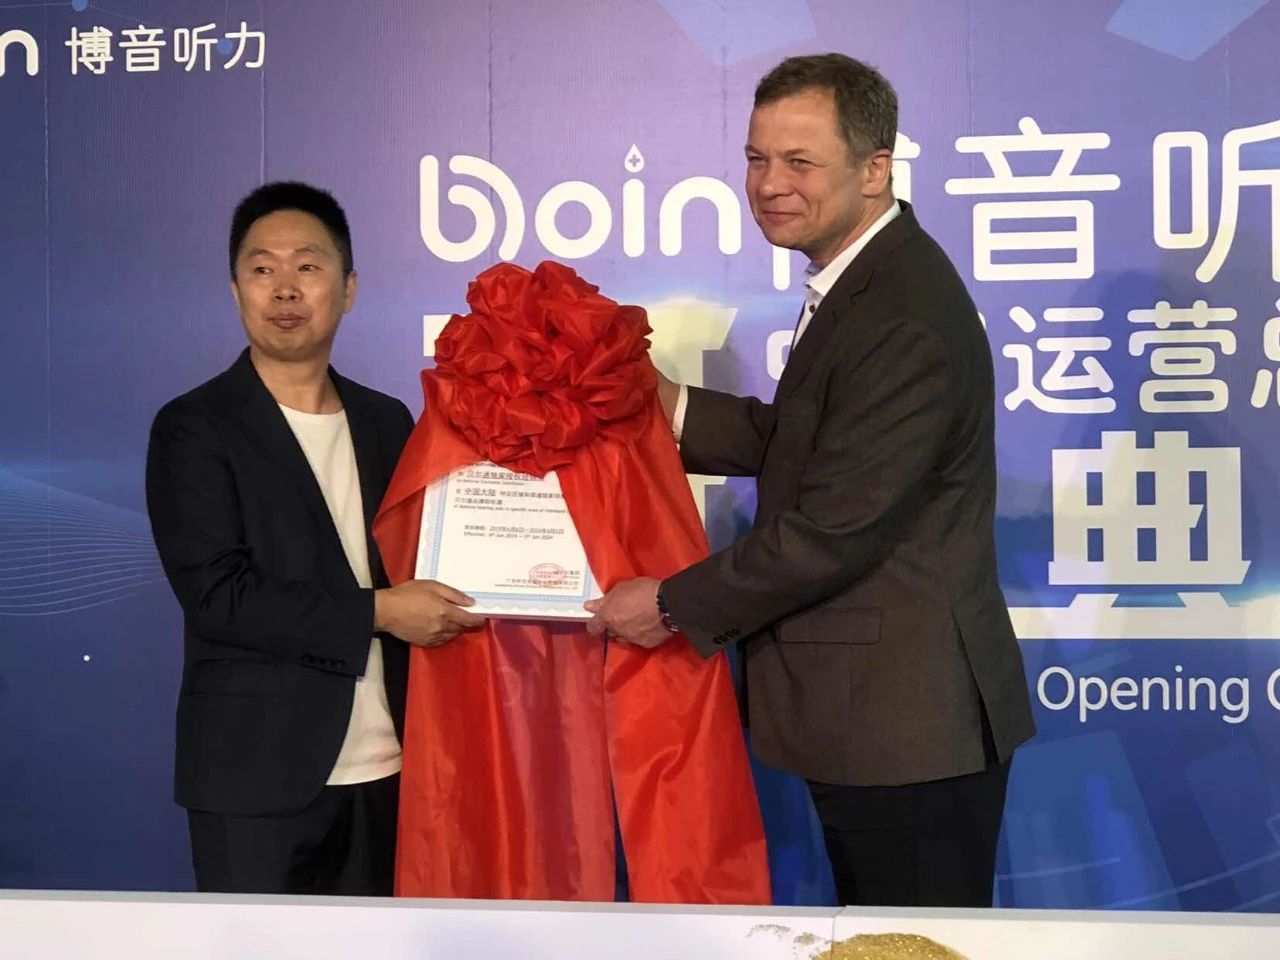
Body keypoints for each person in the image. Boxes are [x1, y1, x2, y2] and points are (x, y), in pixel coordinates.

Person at [586, 54, 1035, 907]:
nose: (769, 185)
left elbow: (834, 527)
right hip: (879, 721)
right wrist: (656, 400)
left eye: (800, 162)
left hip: (906, 730)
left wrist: (670, 604)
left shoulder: (901, 313)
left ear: (874, 169)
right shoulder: (865, 278)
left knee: (909, 944)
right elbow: (804, 440)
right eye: (757, 159)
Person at [145, 181, 483, 894]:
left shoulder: (387, 420)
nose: (285, 288)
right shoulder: (193, 427)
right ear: (236, 289)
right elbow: (219, 596)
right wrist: (382, 611)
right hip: (254, 778)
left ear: (348, 288)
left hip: (391, 766)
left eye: (308, 265)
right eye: (261, 268)